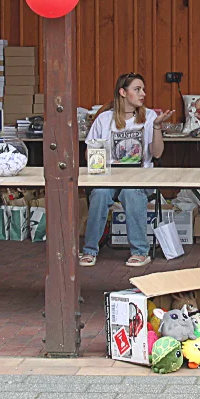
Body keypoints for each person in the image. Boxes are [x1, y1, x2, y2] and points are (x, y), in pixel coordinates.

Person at [80, 73, 174, 268]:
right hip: (110, 177)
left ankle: (140, 251)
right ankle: (89, 250)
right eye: (137, 89)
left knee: (131, 192)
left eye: (143, 89)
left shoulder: (149, 116)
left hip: (140, 177)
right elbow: (90, 152)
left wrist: (156, 127)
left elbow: (156, 154)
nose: (143, 94)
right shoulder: (104, 119)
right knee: (99, 193)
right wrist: (97, 156)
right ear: (123, 92)